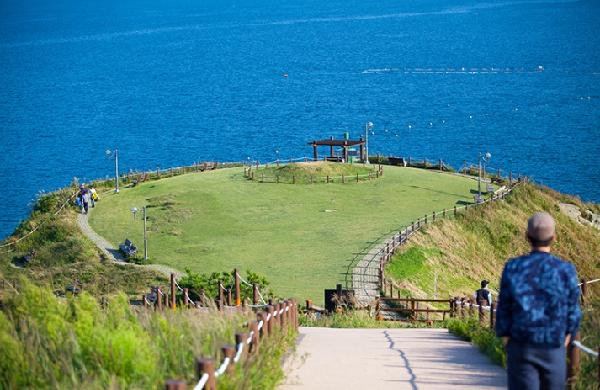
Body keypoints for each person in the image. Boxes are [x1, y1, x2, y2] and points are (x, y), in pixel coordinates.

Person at [495, 212, 581, 390]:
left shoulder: (513, 267)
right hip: (553, 346)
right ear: (554, 238)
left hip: (521, 345)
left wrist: (508, 341)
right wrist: (563, 341)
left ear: (527, 236)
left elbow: (504, 309)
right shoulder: (566, 270)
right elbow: (573, 313)